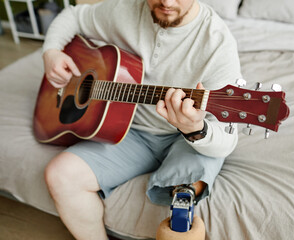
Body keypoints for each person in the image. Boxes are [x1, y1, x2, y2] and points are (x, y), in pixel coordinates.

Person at [43, 0, 242, 239]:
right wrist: (52, 51)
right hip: (128, 131)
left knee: (197, 170)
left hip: (185, 139)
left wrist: (194, 129)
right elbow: (74, 16)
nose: (167, 2)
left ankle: (183, 193)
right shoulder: (123, 10)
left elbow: (228, 139)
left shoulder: (218, 43)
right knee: (60, 175)